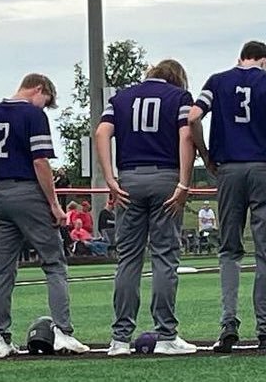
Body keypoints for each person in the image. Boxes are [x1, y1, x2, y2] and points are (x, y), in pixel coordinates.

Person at [189, 41, 266, 352]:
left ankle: (228, 324)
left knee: (229, 249)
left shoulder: (217, 81)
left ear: (241, 58)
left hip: (229, 169)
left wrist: (205, 155)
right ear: (265, 61)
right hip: (263, 167)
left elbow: (193, 117)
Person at [0, 73, 88, 358]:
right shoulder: (33, 115)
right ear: (39, 89)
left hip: (0, 193)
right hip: (28, 192)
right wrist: (54, 204)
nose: (44, 108)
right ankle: (63, 332)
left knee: (3, 271)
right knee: (54, 264)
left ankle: (1, 338)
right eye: (46, 101)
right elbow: (40, 161)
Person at [95, 59, 198, 356]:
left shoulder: (121, 98)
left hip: (129, 179)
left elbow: (101, 133)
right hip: (165, 176)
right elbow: (185, 136)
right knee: (165, 257)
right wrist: (184, 182)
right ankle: (166, 334)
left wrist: (110, 177)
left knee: (128, 259)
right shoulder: (179, 97)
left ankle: (119, 339)